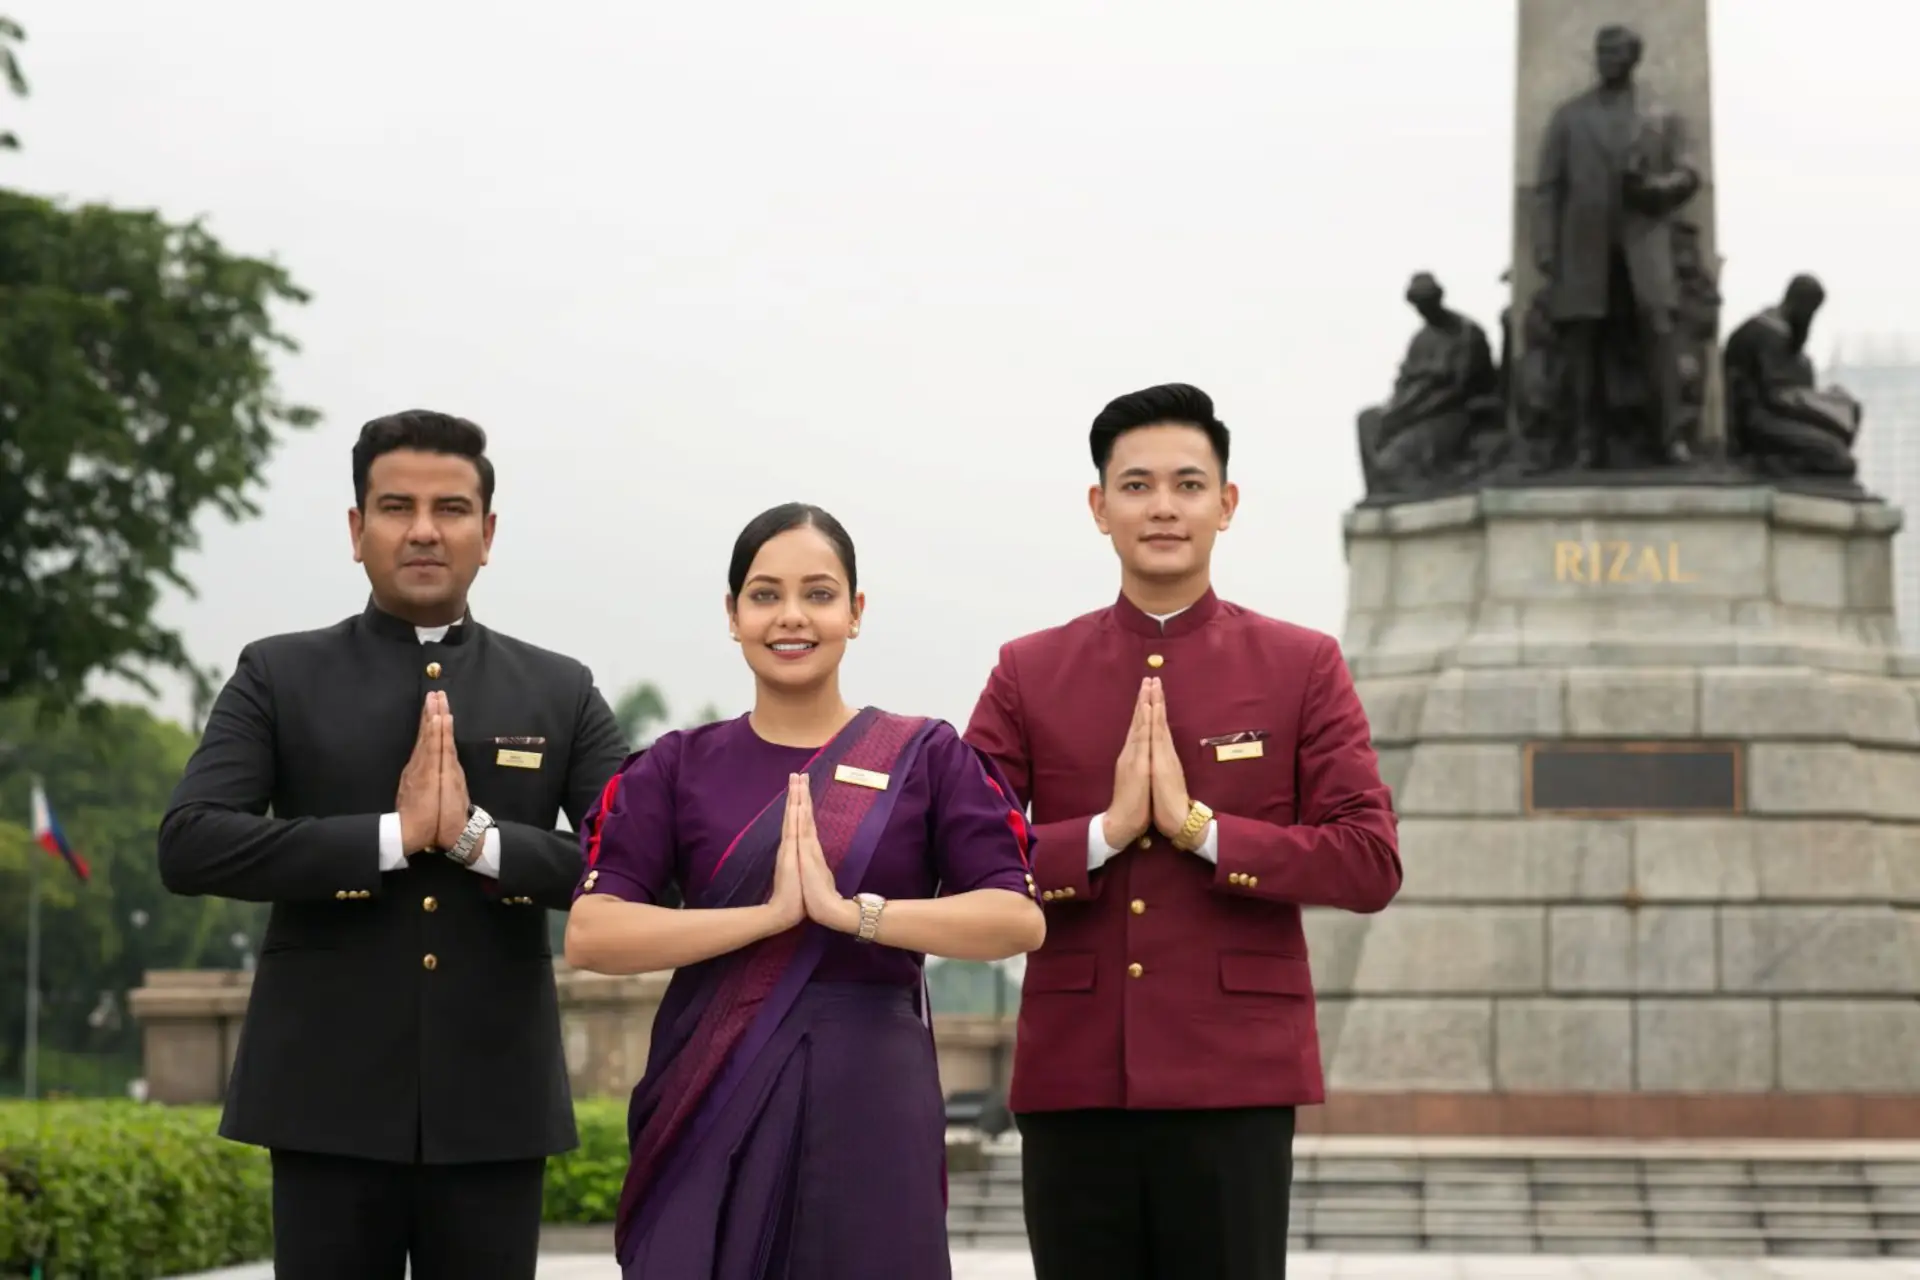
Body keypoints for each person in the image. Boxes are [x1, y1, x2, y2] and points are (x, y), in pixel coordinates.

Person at [157, 410, 631, 1280]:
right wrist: (393, 837)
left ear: (487, 534)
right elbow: (189, 843)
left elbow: (638, 864)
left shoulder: (558, 688)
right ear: (356, 529)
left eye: (450, 508)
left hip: (495, 1101)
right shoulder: (279, 673)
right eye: (395, 507)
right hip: (323, 1099)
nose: (423, 530)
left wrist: (476, 840)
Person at [962, 383, 1403, 1280]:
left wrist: (1202, 830)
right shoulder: (1029, 671)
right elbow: (961, 860)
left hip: (1236, 1077)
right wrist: (1105, 831)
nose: (1163, 506)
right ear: (1099, 507)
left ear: (1226, 504)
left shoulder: (1301, 665)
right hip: (1075, 1075)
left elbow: (1369, 861)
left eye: (1188, 484)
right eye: (1137, 485)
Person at [563, 502, 1047, 1280]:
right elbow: (593, 933)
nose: (792, 616)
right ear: (733, 615)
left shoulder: (926, 757)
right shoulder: (676, 766)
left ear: (856, 612)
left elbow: (1016, 919)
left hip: (871, 1089)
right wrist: (764, 919)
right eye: (765, 595)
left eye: (819, 594)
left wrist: (853, 915)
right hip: (710, 1081)